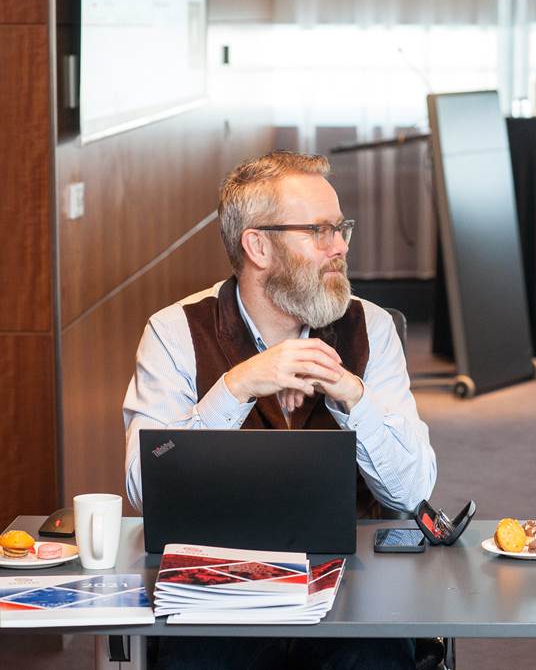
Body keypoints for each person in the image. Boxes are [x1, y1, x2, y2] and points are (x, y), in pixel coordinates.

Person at [124, 150, 435, 669]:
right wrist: (236, 387)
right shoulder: (174, 332)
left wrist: (350, 394)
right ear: (258, 246)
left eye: (341, 228)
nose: (340, 246)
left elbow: (412, 492)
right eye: (319, 231)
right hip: (216, 589)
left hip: (351, 584)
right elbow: (142, 490)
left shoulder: (370, 327)